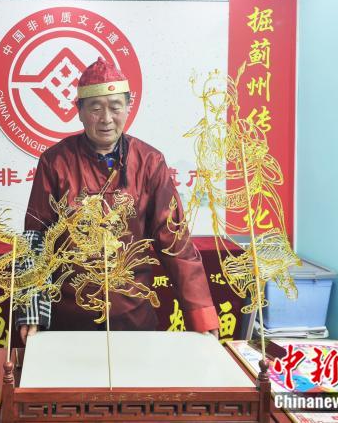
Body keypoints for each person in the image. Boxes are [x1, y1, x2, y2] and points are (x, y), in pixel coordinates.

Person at [17, 57, 219, 343]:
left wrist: (201, 313)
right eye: (95, 108)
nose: (106, 118)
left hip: (132, 314)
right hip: (69, 316)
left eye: (115, 107)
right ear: (79, 111)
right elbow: (36, 240)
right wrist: (32, 313)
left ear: (127, 107)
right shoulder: (55, 161)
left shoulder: (149, 162)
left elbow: (175, 242)